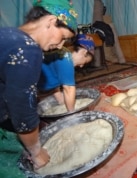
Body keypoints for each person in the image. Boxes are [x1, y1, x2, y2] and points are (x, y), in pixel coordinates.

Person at [0, 0, 78, 172]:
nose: (60, 45)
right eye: (63, 37)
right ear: (50, 22)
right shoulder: (28, 49)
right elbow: (21, 112)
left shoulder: (9, 34)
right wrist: (36, 152)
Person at [38, 34, 95, 112]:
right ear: (84, 52)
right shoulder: (66, 59)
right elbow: (68, 89)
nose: (81, 66)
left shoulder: (60, 52)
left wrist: (57, 93)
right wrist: (72, 114)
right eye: (84, 62)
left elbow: (54, 72)